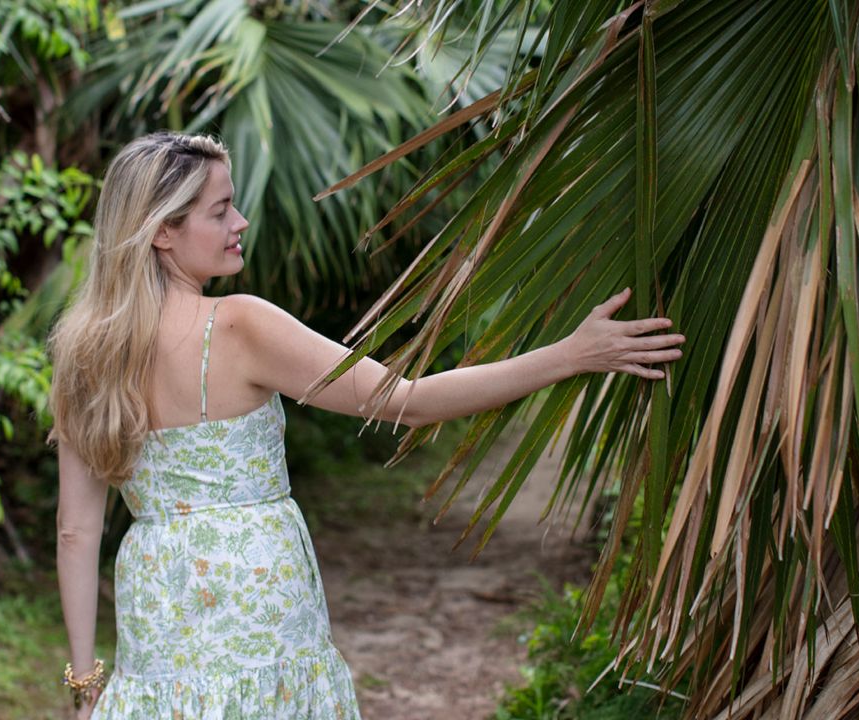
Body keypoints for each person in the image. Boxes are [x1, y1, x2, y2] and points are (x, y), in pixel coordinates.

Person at [50, 131, 685, 719]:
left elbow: (77, 531)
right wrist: (570, 354)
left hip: (158, 597)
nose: (240, 223)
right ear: (163, 233)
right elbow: (407, 399)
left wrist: (85, 686)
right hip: (258, 592)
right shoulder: (241, 325)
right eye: (220, 211)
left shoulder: (85, 353)